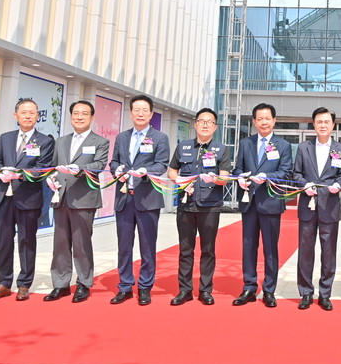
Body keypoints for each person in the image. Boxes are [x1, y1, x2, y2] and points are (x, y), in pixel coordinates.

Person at [0, 98, 54, 301]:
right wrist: (2, 172)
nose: (28, 116)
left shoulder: (45, 141)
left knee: (27, 242)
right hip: (4, 198)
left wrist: (19, 175)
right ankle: (3, 283)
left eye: (32, 112)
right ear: (16, 115)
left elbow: (43, 168)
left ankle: (24, 284)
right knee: (3, 242)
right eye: (24, 112)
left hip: (28, 199)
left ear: (37, 116)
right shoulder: (5, 138)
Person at [44, 100, 110, 303]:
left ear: (92, 117)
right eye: (76, 113)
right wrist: (50, 179)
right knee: (60, 244)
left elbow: (99, 164)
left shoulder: (100, 142)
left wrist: (79, 169)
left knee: (82, 244)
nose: (79, 117)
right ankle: (61, 284)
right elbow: (53, 166)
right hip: (61, 198)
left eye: (84, 113)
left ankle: (83, 283)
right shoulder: (60, 141)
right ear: (71, 116)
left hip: (84, 199)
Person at [108, 95, 170, 305]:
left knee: (147, 246)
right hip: (124, 198)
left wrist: (146, 171)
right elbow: (114, 161)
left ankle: (145, 286)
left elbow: (162, 164)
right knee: (124, 246)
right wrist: (116, 169)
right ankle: (125, 286)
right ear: (131, 113)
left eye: (145, 110)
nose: (140, 114)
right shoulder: (122, 137)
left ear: (151, 114)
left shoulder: (160, 138)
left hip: (148, 199)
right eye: (136, 110)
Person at [167, 108, 231, 306]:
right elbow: (172, 171)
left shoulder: (221, 149)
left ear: (215, 127)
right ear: (195, 124)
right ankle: (184, 290)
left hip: (209, 206)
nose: (205, 125)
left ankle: (205, 290)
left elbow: (225, 178)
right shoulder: (183, 146)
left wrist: (215, 179)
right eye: (201, 121)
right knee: (185, 249)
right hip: (186, 205)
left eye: (209, 122)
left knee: (208, 250)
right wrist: (179, 180)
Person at [232, 103, 292, 308]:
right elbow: (238, 169)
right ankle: (249, 287)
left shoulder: (283, 145)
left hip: (271, 202)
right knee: (248, 246)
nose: (264, 122)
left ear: (274, 120)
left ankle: (269, 289)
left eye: (267, 118)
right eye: (260, 119)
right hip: (249, 202)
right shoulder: (245, 143)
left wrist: (267, 177)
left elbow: (286, 173)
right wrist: (240, 178)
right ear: (254, 121)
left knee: (270, 248)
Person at [293, 107, 341, 311]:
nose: (323, 125)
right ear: (314, 124)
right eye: (319, 122)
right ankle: (306, 292)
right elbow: (296, 174)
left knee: (329, 252)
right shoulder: (304, 147)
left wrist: (339, 185)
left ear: (333, 125)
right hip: (307, 206)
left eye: (327, 122)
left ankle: (325, 293)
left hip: (330, 206)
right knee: (305, 251)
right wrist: (304, 184)